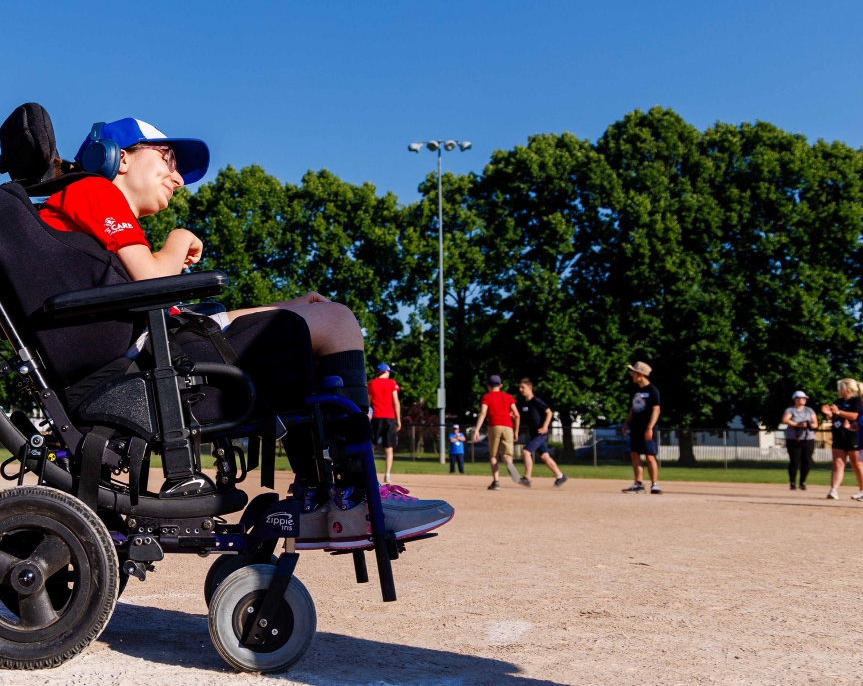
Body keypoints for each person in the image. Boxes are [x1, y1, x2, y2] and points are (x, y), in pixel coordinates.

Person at [39, 117, 443, 548]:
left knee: (323, 316)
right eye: (167, 158)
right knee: (339, 322)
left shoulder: (95, 217)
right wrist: (177, 240)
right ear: (117, 158)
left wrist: (282, 308)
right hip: (149, 367)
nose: (177, 177)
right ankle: (351, 495)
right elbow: (152, 277)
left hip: (157, 351)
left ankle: (338, 492)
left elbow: (191, 318)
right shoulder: (94, 191)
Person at [469, 375, 519, 491]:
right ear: (501, 385)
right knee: (507, 455)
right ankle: (509, 464)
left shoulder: (487, 397)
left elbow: (483, 413)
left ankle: (496, 482)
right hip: (508, 426)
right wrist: (516, 431)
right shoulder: (508, 397)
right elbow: (516, 414)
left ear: (488, 386)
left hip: (494, 426)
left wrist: (477, 429)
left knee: (493, 455)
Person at [621, 362, 663, 495]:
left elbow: (656, 410)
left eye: (634, 373)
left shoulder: (652, 390)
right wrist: (626, 423)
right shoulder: (635, 389)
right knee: (634, 454)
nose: (632, 375)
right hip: (636, 427)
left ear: (640, 374)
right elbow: (633, 408)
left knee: (650, 456)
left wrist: (650, 428)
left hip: (647, 428)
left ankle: (654, 485)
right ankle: (638, 484)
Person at [516, 378, 567, 488]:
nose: (520, 389)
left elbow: (549, 412)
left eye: (522, 387)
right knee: (545, 457)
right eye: (519, 387)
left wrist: (545, 426)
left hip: (540, 433)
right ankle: (560, 476)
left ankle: (527, 479)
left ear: (530, 388)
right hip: (533, 433)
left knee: (526, 452)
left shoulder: (536, 401)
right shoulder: (523, 403)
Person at [821, 378, 863, 501]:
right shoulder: (838, 401)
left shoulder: (857, 401)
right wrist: (829, 414)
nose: (838, 390)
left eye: (840, 387)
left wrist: (838, 412)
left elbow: (856, 416)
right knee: (837, 464)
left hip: (852, 435)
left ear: (847, 388)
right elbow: (834, 417)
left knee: (857, 464)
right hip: (839, 435)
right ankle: (833, 490)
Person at [368, 363, 401, 484]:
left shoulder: (371, 384)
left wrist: (367, 414)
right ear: (385, 371)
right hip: (389, 418)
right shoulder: (392, 383)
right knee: (389, 448)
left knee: (371, 447)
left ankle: (370, 472)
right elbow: (396, 403)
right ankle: (387, 475)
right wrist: (398, 420)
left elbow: (368, 403)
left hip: (376, 417)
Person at [781, 390, 817, 491]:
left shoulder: (809, 410)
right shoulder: (791, 410)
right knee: (795, 461)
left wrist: (807, 425)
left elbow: (815, 424)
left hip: (808, 438)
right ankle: (792, 482)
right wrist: (797, 425)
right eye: (801, 398)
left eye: (804, 398)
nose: (803, 400)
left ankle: (803, 482)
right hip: (793, 439)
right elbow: (785, 420)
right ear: (795, 399)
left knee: (807, 460)